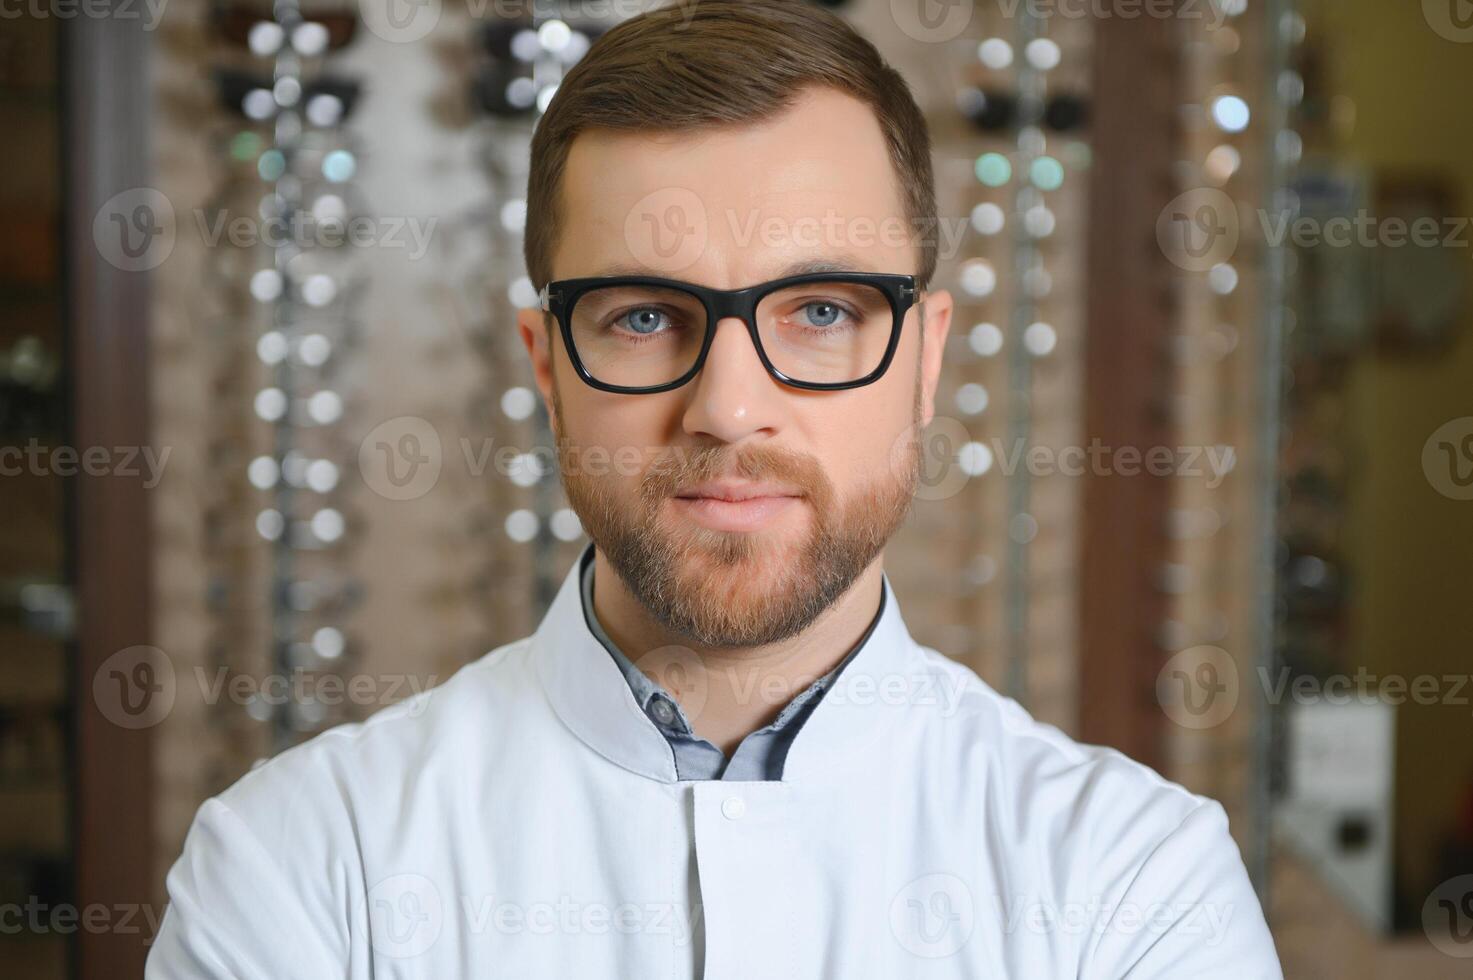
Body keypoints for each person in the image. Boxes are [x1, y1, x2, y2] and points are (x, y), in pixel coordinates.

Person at [147, 1, 1283, 976]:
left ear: (926, 361)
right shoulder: (298, 865)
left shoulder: (1132, 882)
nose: (729, 408)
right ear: (547, 368)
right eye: (645, 317)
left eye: (824, 312)